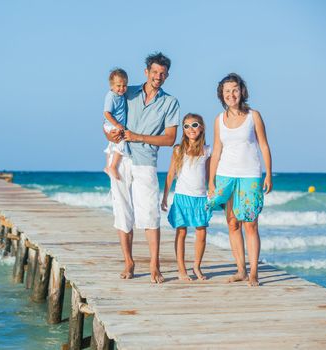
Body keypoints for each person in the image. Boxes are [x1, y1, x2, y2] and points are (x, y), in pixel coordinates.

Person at [105, 52, 180, 283]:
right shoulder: (126, 91)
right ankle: (129, 262)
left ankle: (154, 264)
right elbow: (107, 122)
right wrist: (112, 134)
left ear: (167, 76)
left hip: (146, 161)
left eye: (162, 73)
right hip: (120, 157)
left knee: (150, 213)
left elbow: (169, 139)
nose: (158, 76)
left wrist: (138, 137)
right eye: (154, 72)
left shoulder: (170, 102)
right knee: (122, 211)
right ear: (146, 72)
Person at [207, 73, 272, 287]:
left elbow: (263, 145)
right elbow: (216, 151)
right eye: (227, 91)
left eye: (234, 90)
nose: (231, 94)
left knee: (250, 224)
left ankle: (254, 272)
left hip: (250, 176)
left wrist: (268, 174)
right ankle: (240, 270)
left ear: (241, 91)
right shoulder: (219, 120)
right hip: (225, 175)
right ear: (221, 94)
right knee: (233, 223)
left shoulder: (254, 116)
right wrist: (211, 181)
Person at [161, 113, 212, 281]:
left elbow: (209, 175)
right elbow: (170, 174)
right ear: (183, 130)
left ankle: (196, 266)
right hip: (182, 196)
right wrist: (165, 197)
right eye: (187, 126)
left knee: (202, 233)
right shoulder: (178, 149)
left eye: (195, 125)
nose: (191, 129)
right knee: (181, 232)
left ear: (202, 127)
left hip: (200, 197)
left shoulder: (207, 150)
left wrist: (213, 192)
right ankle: (181, 269)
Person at [103, 68, 128, 180]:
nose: (122, 88)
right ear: (111, 86)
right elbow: (107, 113)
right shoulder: (111, 96)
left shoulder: (121, 95)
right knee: (121, 143)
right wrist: (117, 124)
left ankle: (107, 167)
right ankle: (113, 166)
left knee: (111, 145)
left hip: (112, 124)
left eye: (124, 85)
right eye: (118, 86)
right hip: (111, 124)